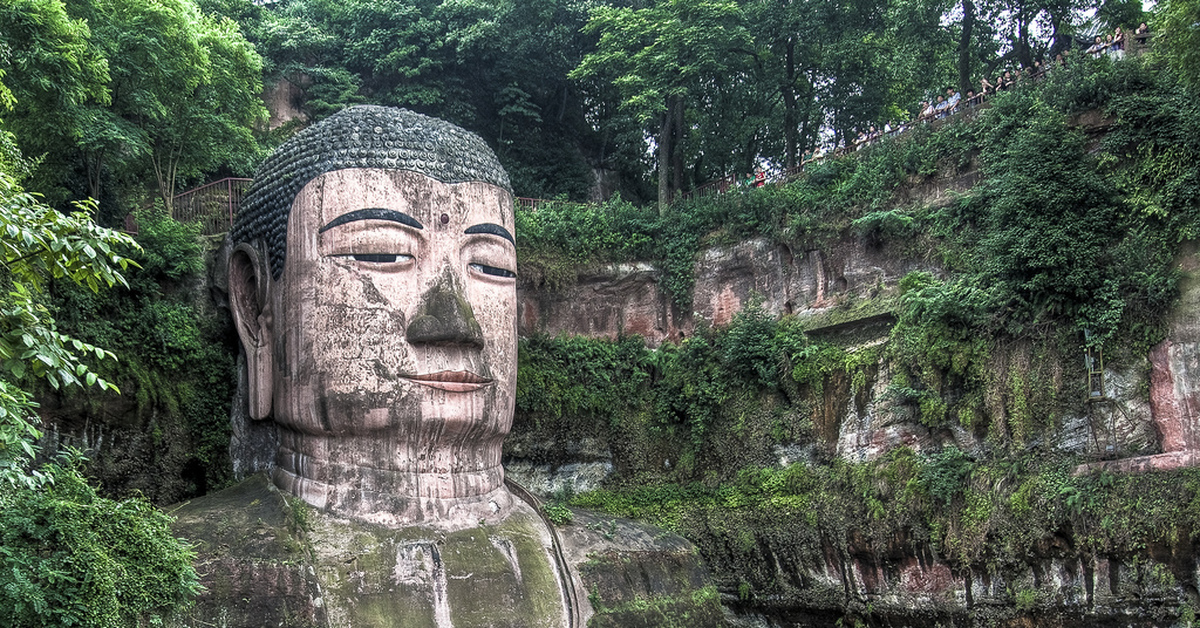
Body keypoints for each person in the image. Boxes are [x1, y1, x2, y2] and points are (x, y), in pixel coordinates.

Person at [179, 105, 720, 627]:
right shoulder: (191, 578)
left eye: (490, 266)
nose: (455, 323)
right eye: (380, 254)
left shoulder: (645, 572)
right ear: (255, 304)